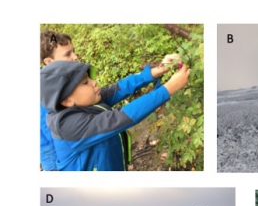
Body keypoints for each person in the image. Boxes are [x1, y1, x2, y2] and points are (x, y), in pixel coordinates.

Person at [40, 58, 190, 171]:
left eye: (90, 77)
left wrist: (154, 72)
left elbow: (119, 88)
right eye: (85, 83)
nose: (94, 82)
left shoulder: (85, 103)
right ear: (67, 100)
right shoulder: (68, 126)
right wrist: (169, 88)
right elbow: (120, 118)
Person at [40, 30, 78, 171]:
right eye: (68, 54)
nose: (75, 57)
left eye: (73, 51)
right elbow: (49, 133)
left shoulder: (63, 78)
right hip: (58, 161)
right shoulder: (44, 91)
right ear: (49, 62)